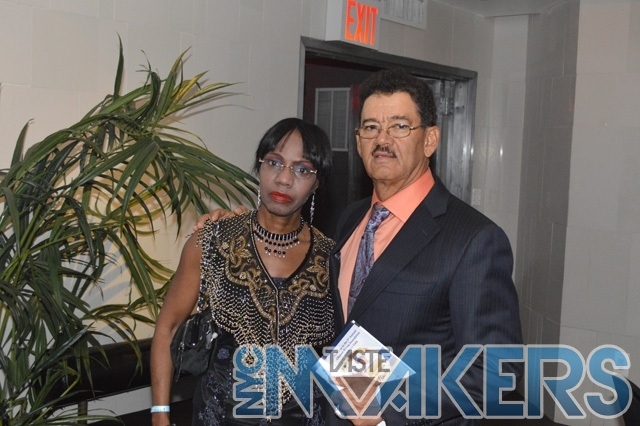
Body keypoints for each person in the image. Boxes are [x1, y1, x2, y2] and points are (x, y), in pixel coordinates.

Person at [199, 69, 523, 426]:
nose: (382, 139)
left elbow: (497, 371)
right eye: (371, 127)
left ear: (430, 140)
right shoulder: (351, 219)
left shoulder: (473, 239)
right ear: (358, 141)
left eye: (399, 126)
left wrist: (388, 408)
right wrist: (241, 225)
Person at [150, 117, 336, 426]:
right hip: (221, 417)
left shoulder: (331, 257)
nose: (284, 179)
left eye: (302, 169)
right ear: (259, 166)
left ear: (317, 183)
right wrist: (159, 414)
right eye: (274, 163)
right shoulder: (212, 241)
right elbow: (168, 327)